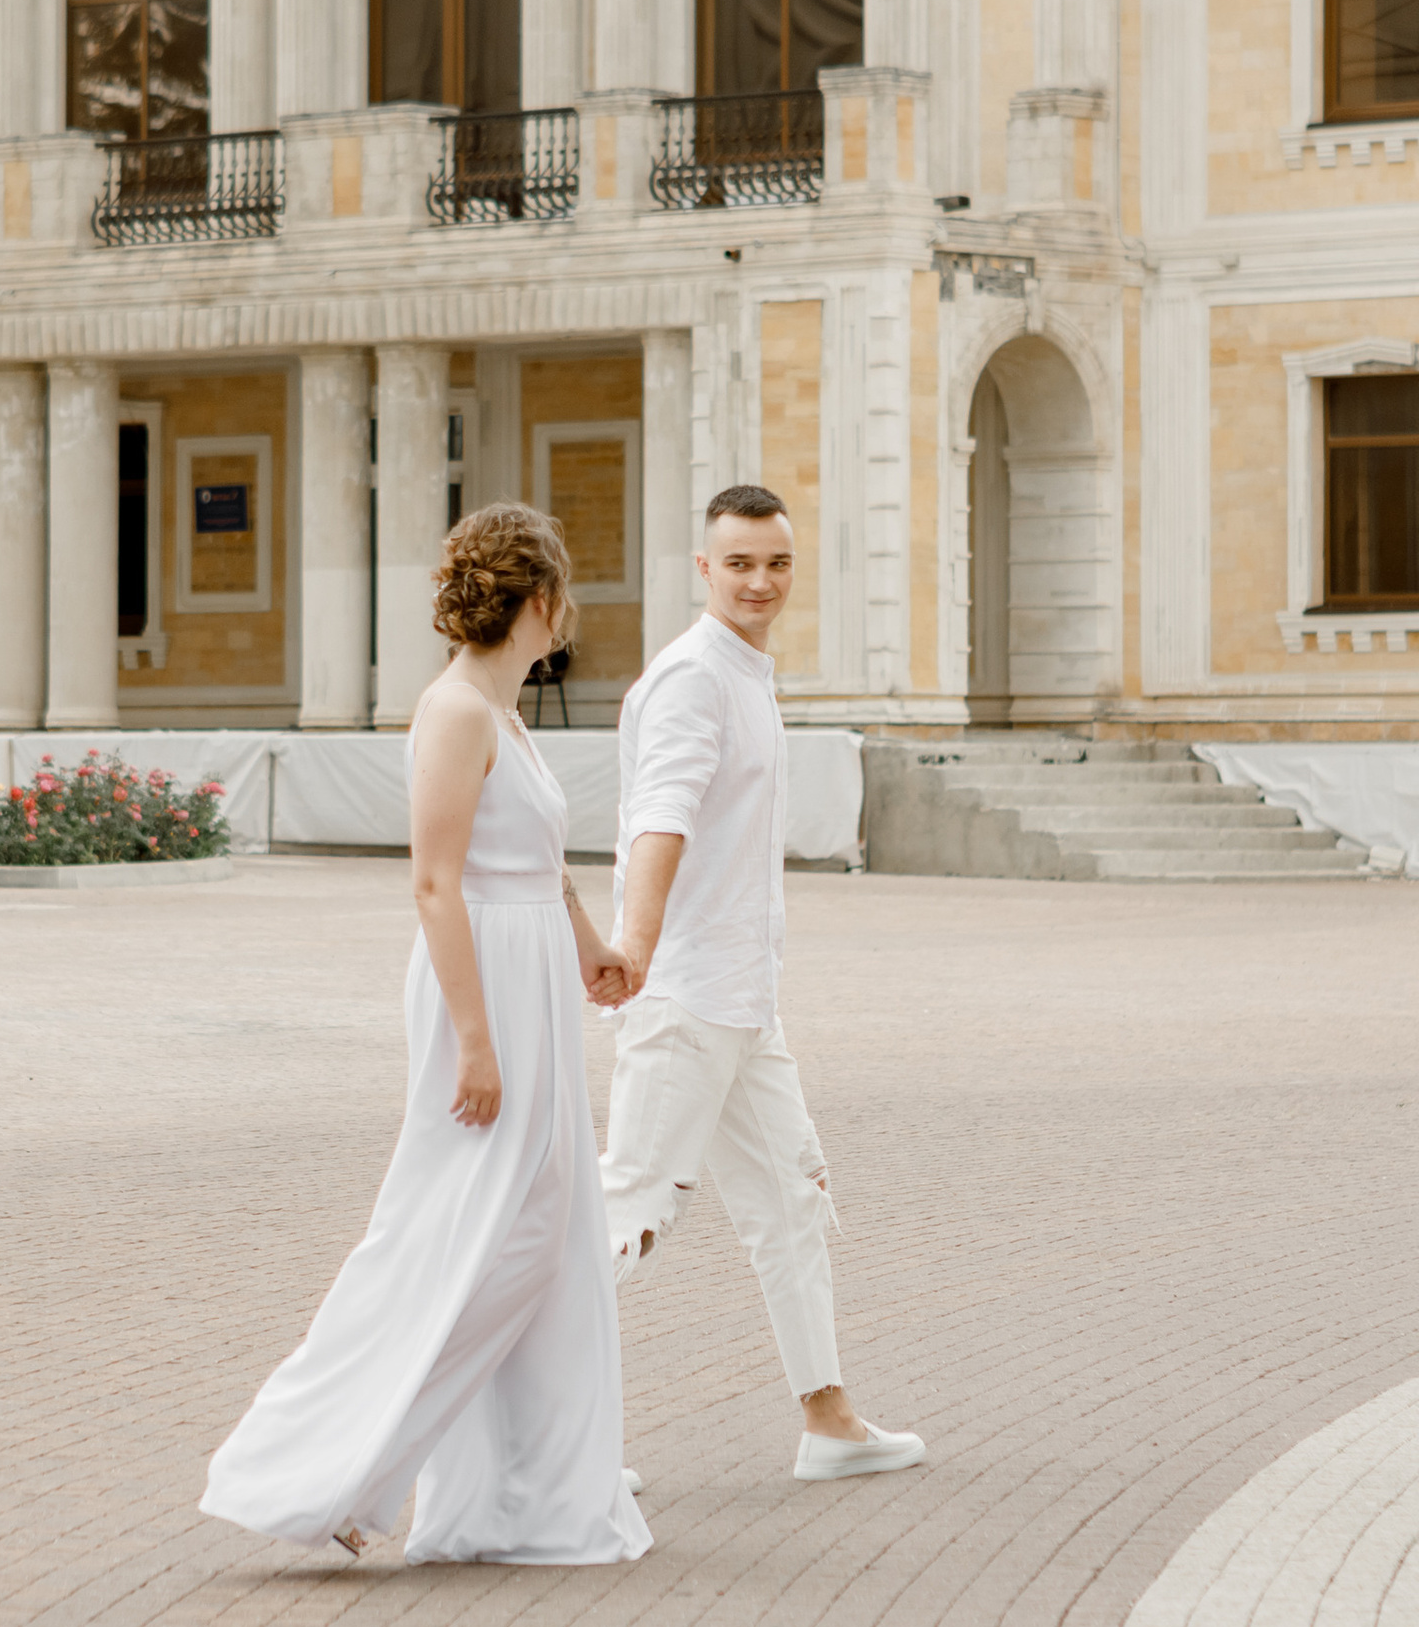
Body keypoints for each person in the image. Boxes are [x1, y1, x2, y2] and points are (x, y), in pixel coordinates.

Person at [201, 505, 650, 1567]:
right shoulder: (454, 711)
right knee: (469, 1233)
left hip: (532, 968)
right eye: (564, 596)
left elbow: (538, 860)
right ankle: (339, 1469)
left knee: (541, 1234)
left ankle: (508, 1487)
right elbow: (435, 883)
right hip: (481, 980)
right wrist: (475, 1042)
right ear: (537, 600)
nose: (566, 615)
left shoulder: (505, 713)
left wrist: (591, 948)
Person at [598, 483, 926, 1482]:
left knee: (792, 1202)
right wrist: (636, 947)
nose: (759, 580)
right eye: (738, 562)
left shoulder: (745, 673)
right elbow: (663, 815)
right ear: (704, 568)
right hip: (687, 997)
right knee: (627, 1216)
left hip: (744, 1003)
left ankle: (829, 1422)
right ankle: (542, 1436)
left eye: (776, 562)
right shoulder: (694, 678)